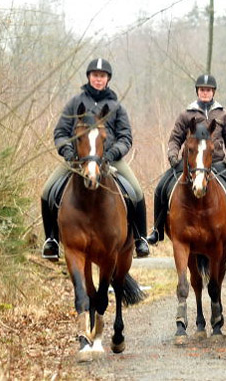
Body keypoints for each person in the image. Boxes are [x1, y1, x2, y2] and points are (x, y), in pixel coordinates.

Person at [40, 58, 150, 260]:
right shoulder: (75, 103)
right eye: (95, 75)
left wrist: (111, 153)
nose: (98, 79)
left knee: (136, 192)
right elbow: (61, 132)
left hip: (110, 160)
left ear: (108, 79)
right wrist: (67, 152)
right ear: (89, 77)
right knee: (48, 190)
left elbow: (125, 137)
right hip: (77, 160)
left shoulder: (116, 107)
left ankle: (140, 239)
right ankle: (52, 240)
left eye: (102, 76)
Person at [146, 74, 226, 249]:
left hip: (217, 164)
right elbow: (175, 138)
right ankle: (157, 229)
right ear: (197, 92)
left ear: (213, 92)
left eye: (208, 90)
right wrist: (173, 156)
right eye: (202, 90)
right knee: (160, 188)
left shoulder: (223, 114)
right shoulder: (186, 114)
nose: (205, 93)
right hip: (190, 164)